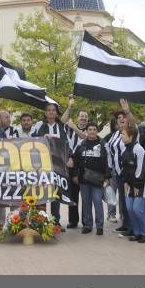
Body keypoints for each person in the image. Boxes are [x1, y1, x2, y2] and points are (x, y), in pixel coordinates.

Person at [32, 102, 69, 229]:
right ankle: (40, 220)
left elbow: (66, 144)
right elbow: (33, 141)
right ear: (45, 112)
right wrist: (43, 137)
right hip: (42, 165)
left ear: (56, 112)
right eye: (49, 110)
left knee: (55, 194)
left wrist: (68, 158)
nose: (51, 112)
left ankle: (55, 221)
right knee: (42, 193)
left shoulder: (62, 126)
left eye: (53, 110)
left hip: (57, 165)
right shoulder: (39, 126)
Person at [72, 122, 110, 235]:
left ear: (97, 131)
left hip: (98, 179)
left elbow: (108, 161)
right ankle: (88, 225)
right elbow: (76, 161)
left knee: (98, 202)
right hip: (83, 179)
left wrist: (107, 177)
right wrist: (75, 175)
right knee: (86, 202)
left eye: (94, 129)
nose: (92, 131)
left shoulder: (103, 144)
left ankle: (99, 226)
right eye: (90, 129)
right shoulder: (81, 144)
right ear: (86, 131)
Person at [104, 99, 136, 232]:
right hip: (116, 173)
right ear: (116, 122)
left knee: (128, 201)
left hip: (128, 173)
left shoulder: (132, 132)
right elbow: (108, 153)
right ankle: (125, 225)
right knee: (122, 200)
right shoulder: (115, 135)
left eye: (124, 117)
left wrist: (127, 110)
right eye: (118, 118)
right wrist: (108, 172)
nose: (121, 119)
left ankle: (131, 227)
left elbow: (133, 124)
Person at [121, 125, 145, 243]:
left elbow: (142, 169)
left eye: (123, 134)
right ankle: (137, 232)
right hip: (130, 184)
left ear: (131, 137)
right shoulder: (126, 149)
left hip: (141, 184)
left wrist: (137, 185)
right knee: (129, 208)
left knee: (138, 209)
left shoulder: (139, 149)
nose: (121, 136)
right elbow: (125, 168)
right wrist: (125, 182)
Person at [61, 96, 88, 229]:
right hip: (71, 165)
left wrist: (74, 127)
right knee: (73, 195)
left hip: (84, 167)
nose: (83, 118)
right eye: (81, 116)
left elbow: (84, 137)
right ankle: (73, 220)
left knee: (85, 196)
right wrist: (70, 107)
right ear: (77, 118)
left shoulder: (91, 130)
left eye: (85, 117)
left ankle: (86, 221)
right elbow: (63, 120)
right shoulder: (69, 129)